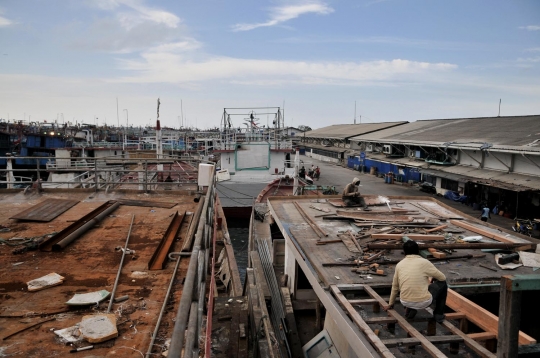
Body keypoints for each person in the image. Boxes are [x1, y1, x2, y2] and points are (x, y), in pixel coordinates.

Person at [385, 240, 448, 322]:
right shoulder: (424, 262)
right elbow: (442, 278)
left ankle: (410, 310)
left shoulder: (399, 265)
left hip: (405, 301)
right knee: (443, 284)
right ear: (418, 251)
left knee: (412, 287)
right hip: (424, 302)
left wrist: (390, 304)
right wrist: (433, 278)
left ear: (404, 252)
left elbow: (395, 286)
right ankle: (438, 315)